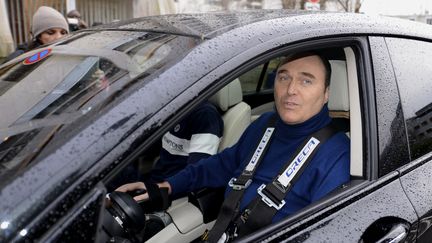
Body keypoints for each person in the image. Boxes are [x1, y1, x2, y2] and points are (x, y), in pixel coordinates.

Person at [115, 52, 350, 240]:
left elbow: (324, 231)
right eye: (283, 77)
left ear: (327, 92)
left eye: (306, 80)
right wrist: (166, 186)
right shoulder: (264, 127)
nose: (290, 90)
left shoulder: (337, 155)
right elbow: (219, 165)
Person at [107, 101, 224, 190]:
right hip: (154, 179)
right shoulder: (177, 107)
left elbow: (197, 172)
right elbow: (149, 146)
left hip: (166, 189)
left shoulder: (205, 116)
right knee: (109, 169)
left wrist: (156, 189)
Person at [3, 6, 69, 63]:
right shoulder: (19, 58)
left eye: (63, 33)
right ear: (39, 36)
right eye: (50, 33)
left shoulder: (69, 52)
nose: (59, 37)